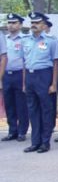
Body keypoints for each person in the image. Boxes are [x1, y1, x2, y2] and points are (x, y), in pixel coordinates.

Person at [21, 12, 58, 154]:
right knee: (33, 110)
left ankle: (45, 142)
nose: (34, 25)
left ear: (43, 25)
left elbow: (56, 63)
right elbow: (24, 63)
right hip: (30, 77)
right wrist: (24, 83)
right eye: (32, 22)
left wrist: (54, 83)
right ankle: (35, 142)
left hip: (44, 76)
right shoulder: (25, 40)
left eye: (37, 22)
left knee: (46, 110)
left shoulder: (51, 40)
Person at [2, 13, 28, 142]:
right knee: (9, 104)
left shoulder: (25, 39)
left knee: (21, 104)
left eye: (14, 23)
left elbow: (25, 60)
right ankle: (12, 130)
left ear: (20, 25)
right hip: (6, 74)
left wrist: (24, 81)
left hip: (19, 74)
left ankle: (22, 131)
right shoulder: (4, 39)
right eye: (9, 23)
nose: (11, 25)